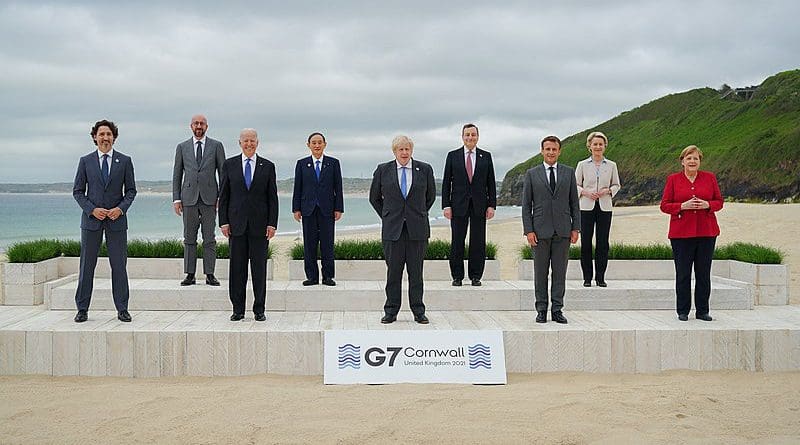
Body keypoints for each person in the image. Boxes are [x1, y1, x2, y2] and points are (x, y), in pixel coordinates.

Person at [72, 119, 137, 323]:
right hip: (91, 222)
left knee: (119, 266)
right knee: (86, 266)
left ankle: (122, 309)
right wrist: (92, 210)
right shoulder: (85, 161)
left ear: (114, 138)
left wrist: (120, 209)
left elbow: (131, 191)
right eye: (101, 134)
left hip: (116, 222)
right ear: (95, 137)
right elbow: (78, 191)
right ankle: (82, 309)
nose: (105, 138)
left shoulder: (125, 161)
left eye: (109, 134)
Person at [369, 135, 436, 324]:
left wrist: (417, 213)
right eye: (401, 149)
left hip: (417, 229)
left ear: (411, 150)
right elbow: (374, 198)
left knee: (416, 273)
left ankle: (418, 311)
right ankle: (391, 311)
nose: (404, 152)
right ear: (394, 151)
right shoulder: (383, 170)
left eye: (407, 149)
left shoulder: (424, 169)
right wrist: (388, 215)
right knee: (393, 274)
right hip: (393, 230)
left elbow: (429, 197)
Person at [218, 128, 278, 322]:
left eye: (252, 140)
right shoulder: (229, 165)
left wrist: (272, 224)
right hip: (236, 226)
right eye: (246, 141)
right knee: (237, 270)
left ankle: (259, 309)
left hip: (260, 227)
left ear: (257, 143)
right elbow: (224, 196)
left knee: (259, 270)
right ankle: (238, 310)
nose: (249, 144)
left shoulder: (268, 166)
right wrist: (224, 222)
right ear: (240, 143)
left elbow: (272, 198)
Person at [521, 135, 580, 324]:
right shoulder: (532, 173)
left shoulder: (569, 173)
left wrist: (575, 228)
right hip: (539, 231)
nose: (551, 152)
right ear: (542, 151)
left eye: (554, 149)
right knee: (540, 273)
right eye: (547, 149)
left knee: (560, 272)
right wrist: (528, 230)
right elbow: (525, 205)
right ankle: (541, 310)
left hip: (563, 230)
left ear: (559, 151)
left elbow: (574, 203)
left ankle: (557, 310)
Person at [660, 145, 723, 322]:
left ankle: (703, 311)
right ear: (682, 161)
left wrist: (707, 204)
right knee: (683, 273)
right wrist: (682, 206)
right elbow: (664, 205)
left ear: (699, 161)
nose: (692, 161)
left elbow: (719, 201)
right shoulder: (673, 179)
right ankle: (683, 310)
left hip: (707, 232)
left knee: (703, 273)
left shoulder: (709, 178)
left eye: (696, 158)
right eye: (689, 158)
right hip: (681, 234)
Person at [172, 114, 226, 287]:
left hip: (210, 199)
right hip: (188, 199)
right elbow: (177, 174)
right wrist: (176, 198)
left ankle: (210, 274)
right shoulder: (182, 147)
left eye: (202, 123)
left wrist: (222, 198)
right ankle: (190, 274)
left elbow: (223, 174)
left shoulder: (217, 146)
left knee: (209, 238)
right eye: (196, 123)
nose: (199, 126)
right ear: (191, 126)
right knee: (189, 238)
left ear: (207, 127)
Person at [441, 123, 497, 287]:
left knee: (478, 241)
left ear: (477, 137)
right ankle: (457, 276)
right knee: (457, 240)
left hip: (480, 205)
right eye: (467, 135)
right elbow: (446, 183)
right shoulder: (453, 156)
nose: (470, 137)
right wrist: (446, 205)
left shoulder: (486, 156)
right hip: (458, 205)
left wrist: (492, 205)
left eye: (473, 135)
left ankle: (475, 276)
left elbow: (490, 183)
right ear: (462, 137)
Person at [292, 132, 344, 286]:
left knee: (327, 244)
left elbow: (338, 187)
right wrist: (296, 208)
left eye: (319, 142)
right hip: (308, 209)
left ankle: (328, 276)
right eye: (313, 142)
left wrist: (338, 208)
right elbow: (298, 188)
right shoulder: (302, 164)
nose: (317, 145)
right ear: (308, 145)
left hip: (327, 209)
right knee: (309, 244)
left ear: (324, 144)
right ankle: (312, 277)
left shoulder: (333, 163)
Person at [575, 131, 621, 287]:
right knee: (586, 242)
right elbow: (575, 185)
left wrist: (607, 191)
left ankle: (600, 277)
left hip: (605, 207)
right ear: (589, 146)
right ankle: (587, 278)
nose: (598, 146)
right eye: (595, 144)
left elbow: (617, 184)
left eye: (601, 144)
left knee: (603, 242)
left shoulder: (612, 165)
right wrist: (586, 192)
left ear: (605, 146)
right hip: (586, 207)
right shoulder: (582, 164)